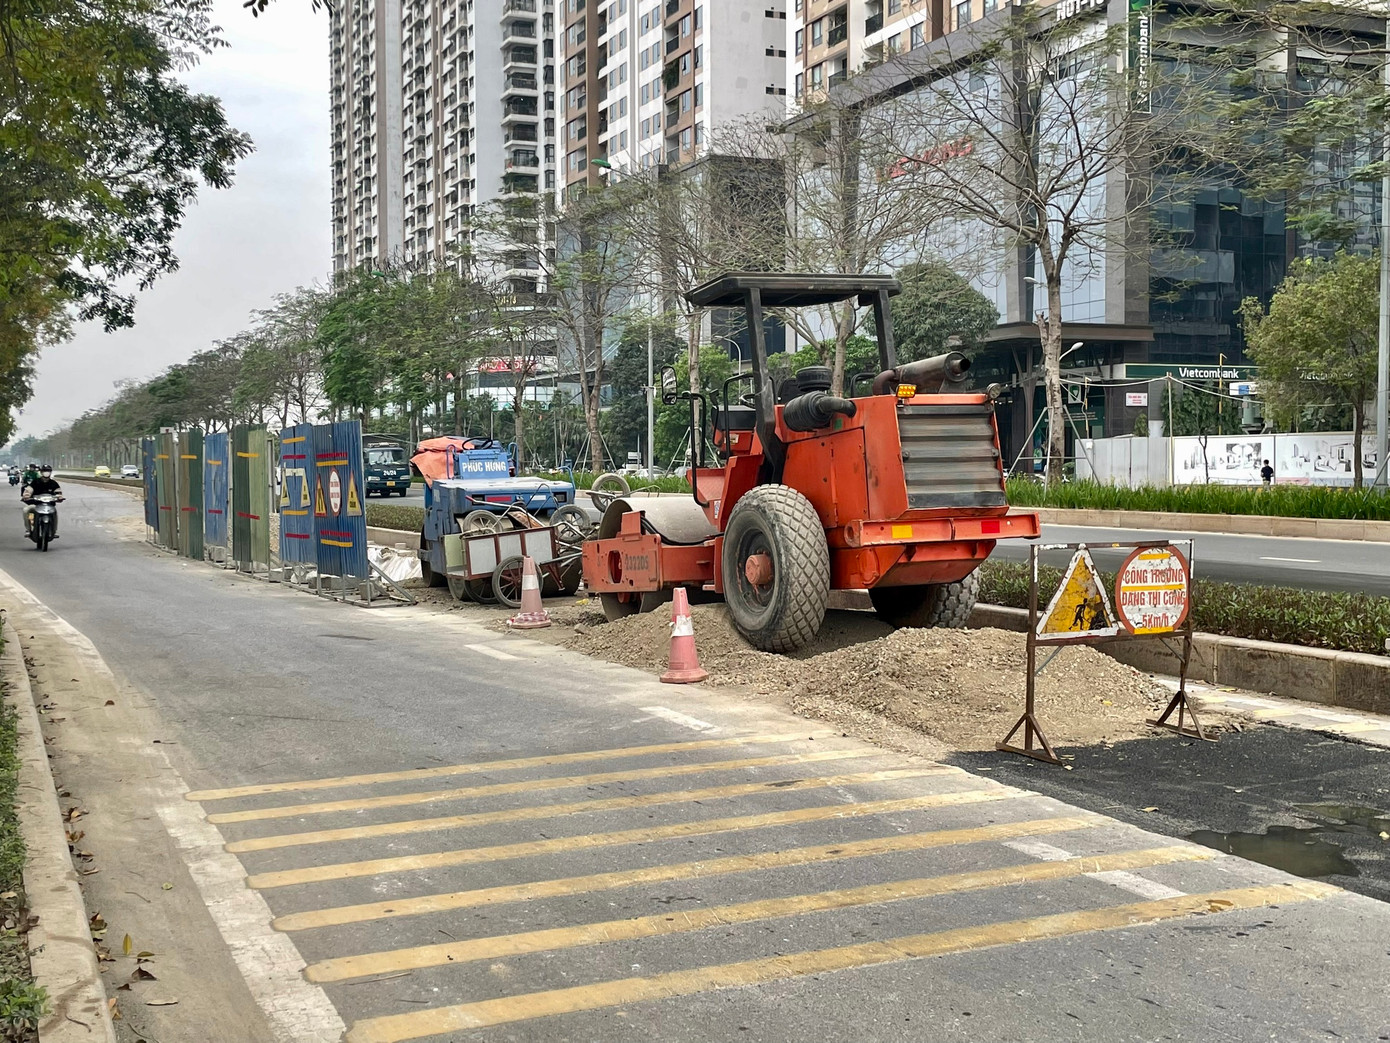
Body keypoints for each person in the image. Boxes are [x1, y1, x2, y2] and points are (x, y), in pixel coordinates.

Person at [22, 465, 62, 538]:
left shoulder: (54, 483)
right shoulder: (35, 482)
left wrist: (59, 497)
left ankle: (54, 531)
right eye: (44, 471)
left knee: (54, 512)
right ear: (41, 472)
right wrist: (26, 495)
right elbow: (28, 490)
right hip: (36, 505)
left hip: (49, 506)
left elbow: (58, 493)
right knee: (26, 510)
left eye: (48, 471)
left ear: (50, 473)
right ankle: (28, 529)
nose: (46, 473)